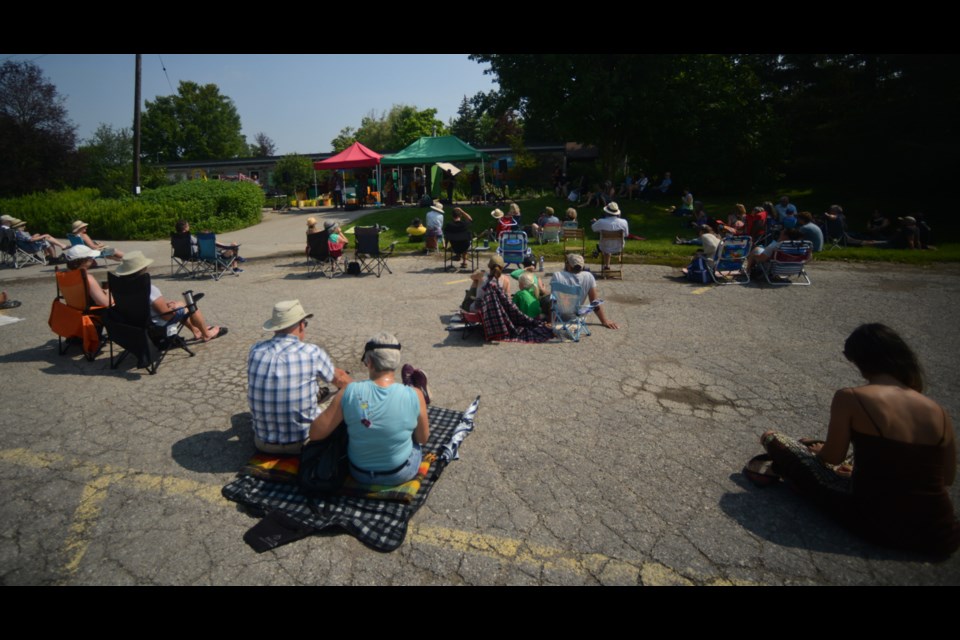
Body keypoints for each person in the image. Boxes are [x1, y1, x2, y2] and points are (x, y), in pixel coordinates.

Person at [759, 324, 960, 555]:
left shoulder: (851, 397)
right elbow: (947, 477)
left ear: (860, 360)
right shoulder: (938, 411)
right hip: (941, 534)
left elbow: (833, 457)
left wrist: (819, 452)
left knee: (774, 438)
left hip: (877, 522)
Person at [309, 332, 429, 486]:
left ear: (369, 362)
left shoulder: (349, 391)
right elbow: (423, 439)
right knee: (414, 440)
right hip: (398, 473)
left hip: (359, 473)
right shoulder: (415, 395)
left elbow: (315, 434)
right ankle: (413, 390)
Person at [249, 299, 351, 454]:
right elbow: (341, 380)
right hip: (303, 442)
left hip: (262, 442)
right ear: (301, 325)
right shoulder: (311, 352)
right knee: (345, 393)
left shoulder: (256, 350)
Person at [115, 251, 225, 342]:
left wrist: (167, 305)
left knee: (178, 305)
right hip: (154, 323)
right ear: (143, 268)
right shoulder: (149, 289)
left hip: (134, 324)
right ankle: (206, 334)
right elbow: (167, 316)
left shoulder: (121, 288)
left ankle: (196, 331)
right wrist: (171, 308)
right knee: (189, 305)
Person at [551, 254, 619, 329]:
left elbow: (553, 300)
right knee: (593, 303)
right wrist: (604, 320)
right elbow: (594, 302)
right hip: (577, 314)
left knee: (545, 298)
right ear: (582, 267)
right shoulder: (588, 277)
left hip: (559, 314)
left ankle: (550, 320)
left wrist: (551, 321)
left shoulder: (557, 276)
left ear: (569, 266)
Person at [590, 202, 629, 271]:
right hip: (619, 247)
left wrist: (594, 222)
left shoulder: (601, 221)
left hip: (604, 247)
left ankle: (606, 265)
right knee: (609, 243)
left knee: (606, 244)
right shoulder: (624, 222)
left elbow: (593, 229)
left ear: (607, 212)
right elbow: (626, 234)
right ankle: (607, 266)